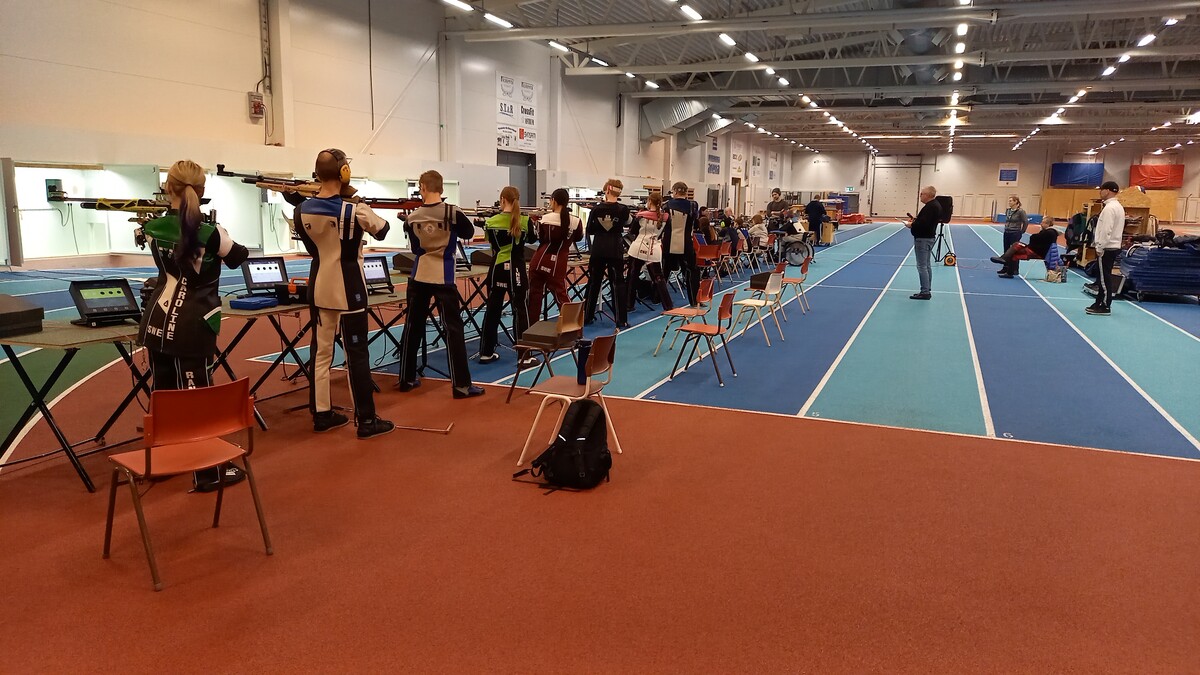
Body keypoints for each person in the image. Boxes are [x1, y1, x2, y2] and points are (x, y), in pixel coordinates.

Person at [139, 160, 250, 491]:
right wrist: (220, 234)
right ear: (201, 191)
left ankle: (164, 462)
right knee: (197, 395)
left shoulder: (154, 227)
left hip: (156, 320)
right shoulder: (209, 233)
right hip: (194, 324)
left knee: (162, 393)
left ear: (167, 188)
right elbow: (239, 256)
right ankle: (207, 472)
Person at [295, 149, 394, 437]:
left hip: (319, 286)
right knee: (357, 354)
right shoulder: (354, 210)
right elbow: (383, 230)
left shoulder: (301, 210)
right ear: (343, 173)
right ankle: (366, 420)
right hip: (349, 288)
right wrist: (358, 201)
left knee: (321, 353)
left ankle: (322, 414)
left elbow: (313, 247)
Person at [397, 169, 485, 398]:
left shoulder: (413, 217)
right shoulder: (452, 212)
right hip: (443, 276)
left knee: (413, 327)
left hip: (419, 275)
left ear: (423, 188)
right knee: (453, 330)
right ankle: (461, 385)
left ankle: (406, 378)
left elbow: (415, 248)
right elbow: (468, 233)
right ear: (441, 188)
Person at [477, 185, 536, 367]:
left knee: (492, 310)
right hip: (516, 270)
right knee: (520, 310)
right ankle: (524, 356)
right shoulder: (525, 221)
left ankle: (486, 352)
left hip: (496, 269)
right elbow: (532, 239)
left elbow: (491, 243)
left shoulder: (491, 222)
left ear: (502, 200)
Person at [527, 188, 584, 323]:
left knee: (534, 298)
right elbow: (578, 238)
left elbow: (540, 238)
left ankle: (531, 329)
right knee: (562, 297)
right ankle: (572, 327)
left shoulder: (545, 219)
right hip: (558, 263)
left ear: (553, 201)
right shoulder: (576, 221)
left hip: (539, 260)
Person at [583, 179, 630, 327]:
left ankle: (587, 316)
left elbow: (589, 229)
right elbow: (628, 223)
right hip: (615, 248)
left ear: (607, 190)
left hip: (599, 248)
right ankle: (621, 319)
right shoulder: (623, 209)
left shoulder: (596, 209)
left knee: (593, 282)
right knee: (618, 283)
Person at [625, 193, 673, 311]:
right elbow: (666, 234)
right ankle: (668, 306)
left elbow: (633, 231)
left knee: (632, 277)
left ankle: (629, 305)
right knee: (659, 278)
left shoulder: (640, 215)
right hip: (654, 249)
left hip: (637, 248)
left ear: (649, 202)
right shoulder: (666, 217)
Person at [1086, 181, 1125, 316]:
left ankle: (1105, 305)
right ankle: (1099, 302)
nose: (1100, 192)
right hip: (1111, 246)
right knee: (1102, 276)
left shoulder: (1109, 208)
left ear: (1107, 191)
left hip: (1107, 248)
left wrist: (1100, 247)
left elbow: (1106, 230)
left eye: (1101, 190)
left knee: (1104, 278)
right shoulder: (1117, 207)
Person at [662, 181, 700, 306]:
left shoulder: (666, 205)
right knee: (691, 272)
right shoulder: (693, 205)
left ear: (674, 191)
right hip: (686, 243)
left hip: (669, 243)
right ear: (686, 192)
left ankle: (660, 299)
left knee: (664, 272)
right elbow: (696, 221)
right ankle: (694, 300)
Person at [906, 185, 942, 300]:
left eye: (921, 194)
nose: (920, 196)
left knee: (922, 266)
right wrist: (916, 221)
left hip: (923, 239)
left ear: (927, 195)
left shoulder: (930, 207)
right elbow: (925, 222)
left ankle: (925, 291)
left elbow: (923, 224)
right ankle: (927, 289)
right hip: (928, 237)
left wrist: (912, 225)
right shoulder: (934, 205)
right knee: (926, 265)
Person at [990, 218, 1060, 269]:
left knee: (1016, 246)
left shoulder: (1049, 232)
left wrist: (1037, 234)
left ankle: (1005, 261)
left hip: (1036, 252)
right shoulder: (1049, 232)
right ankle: (1007, 265)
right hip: (1034, 250)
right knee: (1015, 248)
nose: (1041, 224)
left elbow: (1033, 238)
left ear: (1048, 224)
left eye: (1043, 222)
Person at [997, 195, 1030, 278]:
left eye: (1011, 201)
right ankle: (1005, 267)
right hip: (1007, 232)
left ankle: (1014, 269)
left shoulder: (1021, 211)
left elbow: (1025, 222)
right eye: (1009, 201)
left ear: (1016, 202)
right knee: (1006, 251)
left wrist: (1022, 231)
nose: (1009, 202)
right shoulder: (1008, 210)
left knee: (1014, 251)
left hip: (1015, 233)